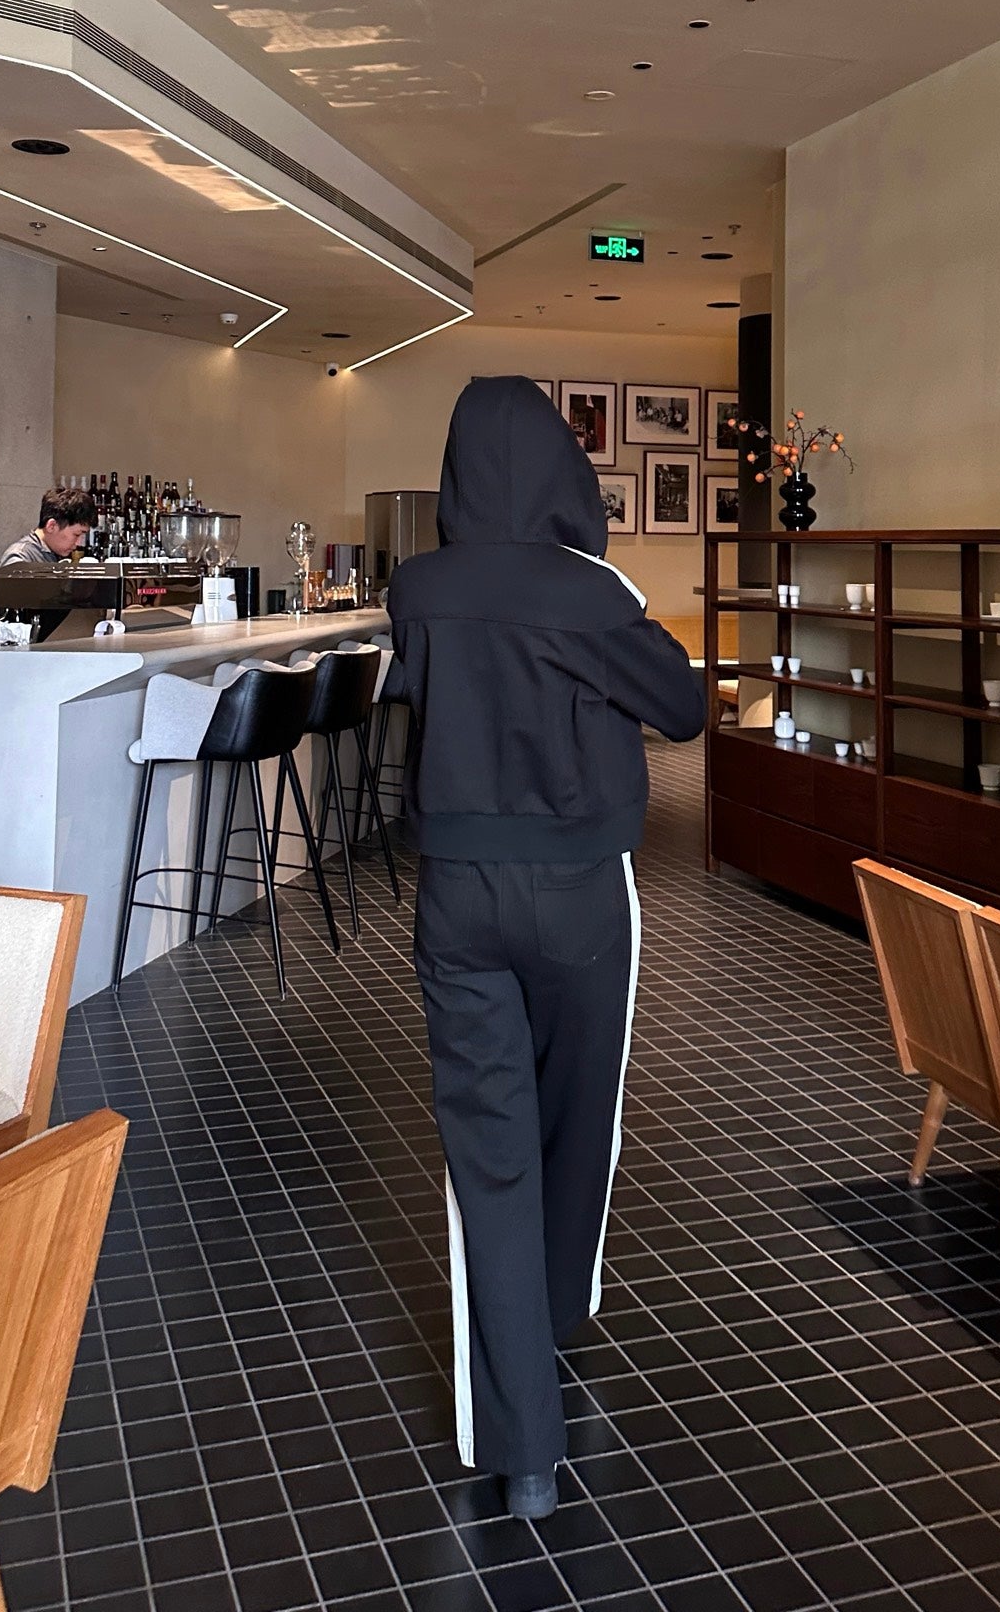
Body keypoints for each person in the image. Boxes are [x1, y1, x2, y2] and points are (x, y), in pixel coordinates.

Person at [387, 376, 705, 1521]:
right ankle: (560, 1304)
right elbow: (685, 710)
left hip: (456, 897)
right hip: (577, 893)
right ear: (563, 470)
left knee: (489, 1154)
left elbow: (434, 694)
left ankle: (525, 1453)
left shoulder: (415, 586)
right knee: (582, 1117)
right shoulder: (591, 591)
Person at [0, 484, 97, 567]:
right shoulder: (21, 558)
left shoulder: (57, 553)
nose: (79, 543)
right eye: (76, 534)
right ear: (51, 526)